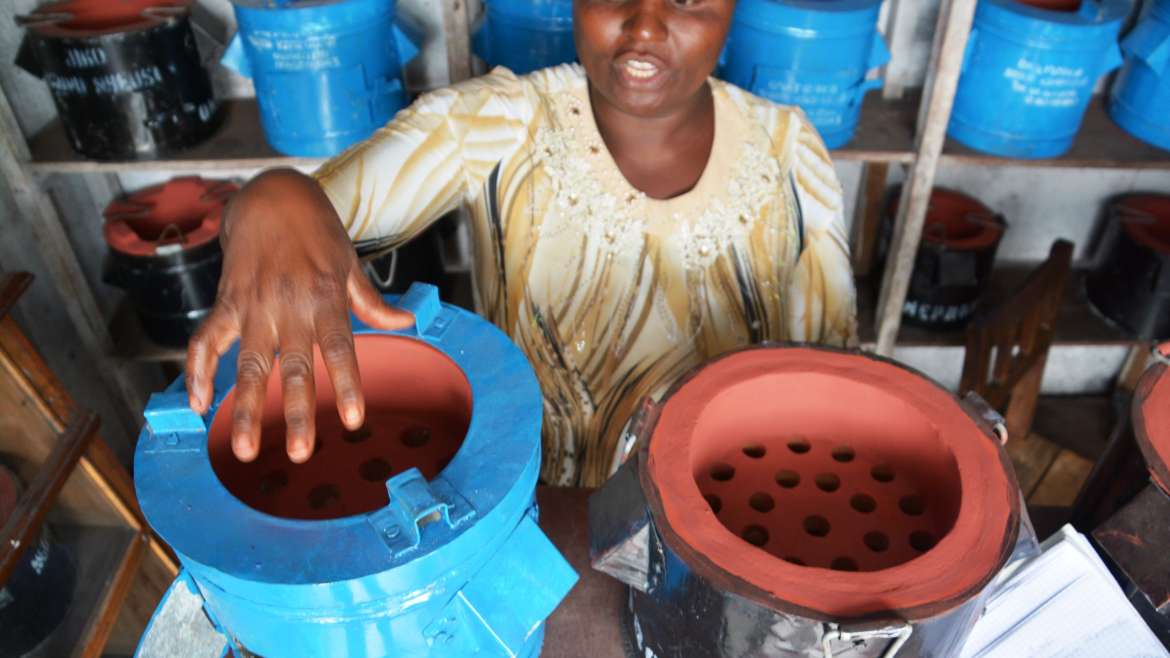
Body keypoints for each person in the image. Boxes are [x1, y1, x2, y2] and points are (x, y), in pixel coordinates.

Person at [186, 0, 857, 488]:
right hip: (536, 515)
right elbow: (305, 219)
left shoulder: (788, 151)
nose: (645, 25)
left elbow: (828, 377)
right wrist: (272, 197)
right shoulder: (500, 124)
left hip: (722, 519)